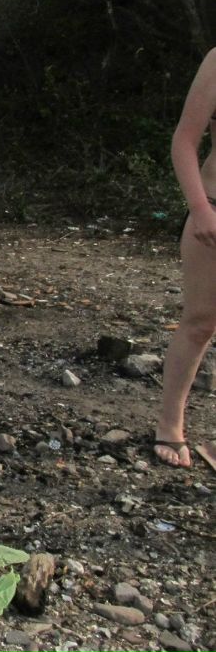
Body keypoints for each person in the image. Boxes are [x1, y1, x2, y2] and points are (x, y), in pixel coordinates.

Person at [155, 48, 216, 467]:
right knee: (200, 321)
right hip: (213, 206)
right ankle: (169, 426)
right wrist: (200, 210)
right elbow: (185, 140)